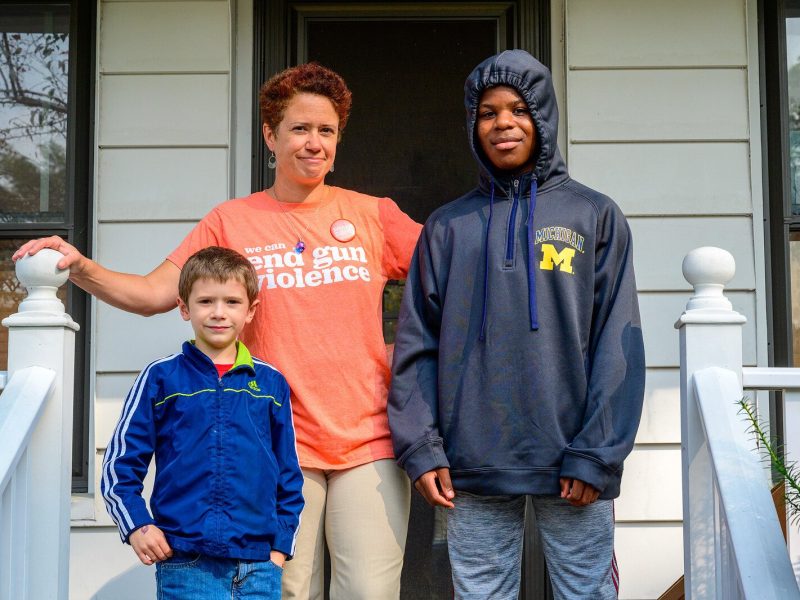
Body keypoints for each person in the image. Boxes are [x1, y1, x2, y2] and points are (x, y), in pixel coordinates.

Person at [15, 63, 421, 599]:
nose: (313, 143)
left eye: (326, 131)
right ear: (270, 135)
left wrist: (406, 353)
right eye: (299, 128)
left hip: (369, 439)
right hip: (273, 443)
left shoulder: (372, 215)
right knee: (287, 591)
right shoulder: (232, 220)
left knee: (369, 592)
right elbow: (154, 294)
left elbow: (454, 285)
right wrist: (80, 266)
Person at [388, 49, 646, 600]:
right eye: (487, 112)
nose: (503, 123)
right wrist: (423, 447)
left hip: (572, 456)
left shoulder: (593, 215)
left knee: (587, 591)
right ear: (472, 125)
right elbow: (417, 345)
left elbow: (617, 343)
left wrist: (598, 451)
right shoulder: (448, 227)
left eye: (518, 109)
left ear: (543, 118)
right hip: (472, 458)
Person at [101, 246, 304, 599]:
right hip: (186, 562)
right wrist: (137, 525)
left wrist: (279, 550)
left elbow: (289, 475)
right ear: (184, 307)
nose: (219, 313)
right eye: (206, 301)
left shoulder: (271, 383)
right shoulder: (161, 378)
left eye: (232, 302)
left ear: (251, 310)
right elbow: (119, 467)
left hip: (259, 565)